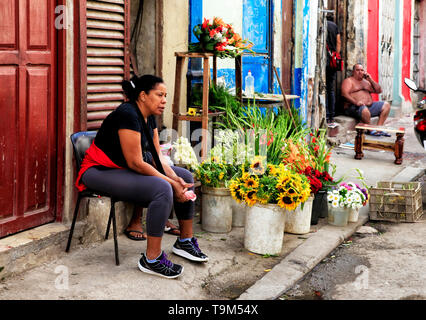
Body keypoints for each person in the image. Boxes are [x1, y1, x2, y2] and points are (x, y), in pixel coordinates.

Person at [75, 74, 208, 279]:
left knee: (185, 176)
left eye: (165, 95)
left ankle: (185, 241)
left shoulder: (150, 116)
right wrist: (170, 183)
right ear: (143, 95)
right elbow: (136, 163)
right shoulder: (127, 114)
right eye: (159, 95)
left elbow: (157, 158)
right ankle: (152, 259)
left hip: (123, 169)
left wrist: (176, 180)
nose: (164, 100)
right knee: (162, 188)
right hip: (99, 170)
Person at [341, 64, 391, 136]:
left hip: (368, 107)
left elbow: (379, 90)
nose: (360, 72)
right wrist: (356, 102)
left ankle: (379, 129)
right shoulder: (349, 81)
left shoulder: (366, 82)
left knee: (386, 105)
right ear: (353, 72)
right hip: (354, 107)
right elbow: (344, 94)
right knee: (364, 110)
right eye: (357, 70)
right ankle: (370, 129)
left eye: (362, 70)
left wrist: (370, 79)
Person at [325, 12, 341, 125]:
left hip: (324, 58)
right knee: (330, 89)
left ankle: (325, 114)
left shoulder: (321, 23)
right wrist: (336, 55)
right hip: (332, 61)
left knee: (324, 89)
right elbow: (338, 41)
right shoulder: (334, 26)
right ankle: (331, 115)